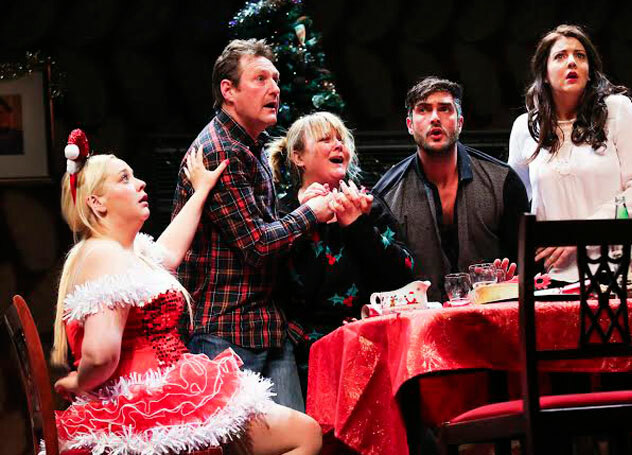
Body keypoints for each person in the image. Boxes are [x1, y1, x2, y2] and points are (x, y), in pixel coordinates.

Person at [50, 129, 322, 455]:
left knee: (303, 431)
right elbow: (101, 355)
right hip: (144, 402)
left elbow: (169, 251)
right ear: (96, 202)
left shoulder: (125, 252)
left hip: (165, 388)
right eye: (124, 179)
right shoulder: (105, 254)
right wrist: (80, 382)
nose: (140, 184)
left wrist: (202, 190)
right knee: (304, 434)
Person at [171, 39, 334, 412]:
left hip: (264, 325)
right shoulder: (221, 150)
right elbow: (257, 245)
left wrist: (300, 206)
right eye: (260, 79)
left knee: (300, 437)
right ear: (228, 91)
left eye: (275, 79)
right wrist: (311, 214)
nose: (274, 88)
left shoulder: (250, 146)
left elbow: (261, 227)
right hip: (227, 331)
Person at [267, 112, 415, 391]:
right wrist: (306, 219)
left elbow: (404, 273)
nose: (338, 146)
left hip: (369, 347)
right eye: (325, 139)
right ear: (298, 157)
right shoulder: (283, 213)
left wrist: (358, 226)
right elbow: (281, 289)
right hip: (303, 356)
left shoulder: (369, 204)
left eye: (341, 140)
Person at [508, 24, 632, 283]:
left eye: (580, 56)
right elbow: (520, 197)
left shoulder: (616, 110)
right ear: (543, 73)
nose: (572, 62)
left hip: (619, 269)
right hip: (554, 275)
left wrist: (579, 236)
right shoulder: (525, 127)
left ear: (589, 72)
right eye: (560, 56)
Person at [374, 76, 529, 302]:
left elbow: (526, 265)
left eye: (445, 109)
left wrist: (509, 281)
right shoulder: (387, 195)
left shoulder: (502, 181)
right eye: (423, 110)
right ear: (409, 125)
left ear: (460, 122)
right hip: (419, 327)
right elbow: (384, 277)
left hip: (492, 319)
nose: (435, 118)